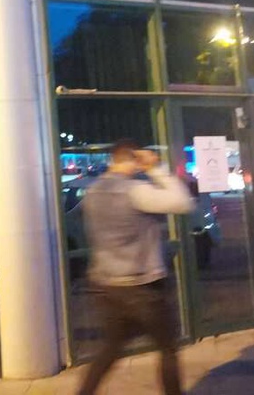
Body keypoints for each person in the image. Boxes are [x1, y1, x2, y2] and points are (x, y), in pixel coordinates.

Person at [78, 138, 195, 395]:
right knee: (167, 347)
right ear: (133, 159)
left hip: (105, 285)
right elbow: (183, 202)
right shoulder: (135, 191)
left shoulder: (92, 192)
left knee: (111, 348)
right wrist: (154, 168)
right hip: (141, 286)